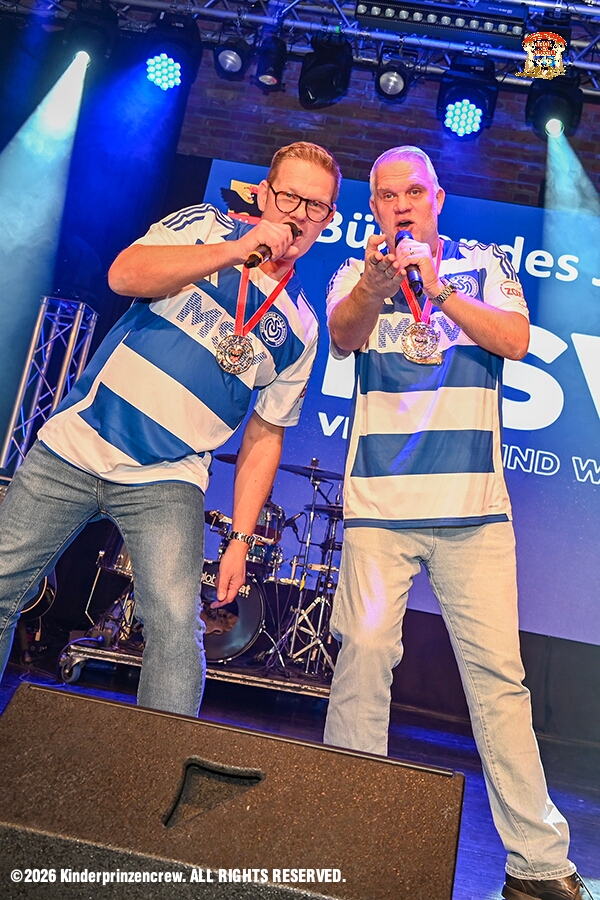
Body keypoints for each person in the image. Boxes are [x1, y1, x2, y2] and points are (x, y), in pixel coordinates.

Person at [323, 146, 588, 900]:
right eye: (386, 195)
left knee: (500, 682)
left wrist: (438, 291)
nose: (401, 204)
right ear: (374, 206)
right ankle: (339, 838)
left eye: (414, 191)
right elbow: (344, 335)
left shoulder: (485, 264)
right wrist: (377, 286)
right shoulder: (356, 273)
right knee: (363, 658)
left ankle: (537, 864)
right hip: (381, 509)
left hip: (475, 514)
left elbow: (515, 341)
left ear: (438, 198)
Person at [0, 140, 340, 718]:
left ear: (328, 220)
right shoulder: (205, 227)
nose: (299, 215)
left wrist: (240, 540)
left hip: (168, 479)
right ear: (264, 194)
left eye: (317, 207)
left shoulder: (303, 327)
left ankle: (158, 769)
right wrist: (236, 250)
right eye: (289, 197)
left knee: (178, 627)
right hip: (77, 445)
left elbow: (265, 436)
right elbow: (124, 274)